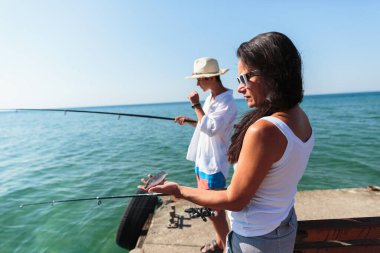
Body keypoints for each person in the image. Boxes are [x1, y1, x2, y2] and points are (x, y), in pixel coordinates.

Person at [142, 32, 315, 253]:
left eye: (244, 78)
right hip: (282, 223)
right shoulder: (300, 117)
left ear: (272, 75)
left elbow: (235, 200)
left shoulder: (263, 130)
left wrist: (178, 190)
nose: (240, 88)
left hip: (255, 239)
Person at [174, 57, 238, 253]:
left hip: (214, 164)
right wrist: (191, 120)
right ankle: (221, 241)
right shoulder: (212, 97)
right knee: (209, 207)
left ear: (210, 78)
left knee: (215, 209)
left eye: (199, 79)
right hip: (203, 161)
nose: (197, 84)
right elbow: (208, 125)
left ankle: (225, 246)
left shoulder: (227, 103)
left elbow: (210, 128)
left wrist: (195, 105)